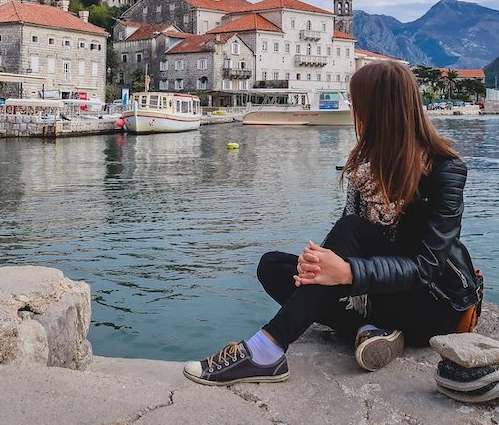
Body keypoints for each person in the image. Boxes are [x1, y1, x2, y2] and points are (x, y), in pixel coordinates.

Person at [183, 60, 482, 386]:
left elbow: (427, 266)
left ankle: (267, 350)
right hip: (379, 297)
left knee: (348, 231)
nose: (354, 112)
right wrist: (318, 264)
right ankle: (366, 330)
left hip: (433, 305)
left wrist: (349, 272)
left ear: (378, 109)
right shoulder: (364, 167)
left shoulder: (445, 170)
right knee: (273, 267)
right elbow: (351, 241)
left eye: (358, 104)